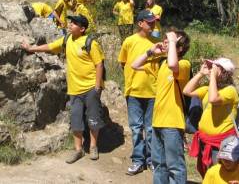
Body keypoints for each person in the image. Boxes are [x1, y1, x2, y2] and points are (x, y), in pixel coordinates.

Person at [21, 15, 106, 163]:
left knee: (93, 118)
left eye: (74, 23)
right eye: (71, 22)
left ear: (82, 28)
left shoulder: (90, 43)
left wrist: (97, 87)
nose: (70, 24)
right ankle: (78, 150)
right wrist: (31, 48)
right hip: (74, 89)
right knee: (76, 119)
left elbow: (99, 64)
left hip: (91, 87)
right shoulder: (67, 39)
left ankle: (93, 146)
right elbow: (50, 46)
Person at [132, 30, 191, 184]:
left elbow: (173, 64)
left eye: (169, 41)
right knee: (159, 165)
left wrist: (172, 42)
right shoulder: (161, 63)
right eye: (164, 40)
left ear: (179, 48)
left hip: (172, 123)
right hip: (157, 122)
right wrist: (151, 51)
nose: (165, 42)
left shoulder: (184, 64)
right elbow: (135, 64)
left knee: (175, 166)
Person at [183, 58, 239, 178]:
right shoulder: (209, 89)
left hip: (220, 144)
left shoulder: (230, 91)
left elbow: (213, 99)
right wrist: (200, 74)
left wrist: (212, 76)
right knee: (207, 174)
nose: (211, 69)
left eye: (215, 67)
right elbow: (187, 91)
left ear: (224, 72)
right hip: (205, 141)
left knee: (219, 175)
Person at [118, 10, 157, 175]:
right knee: (135, 128)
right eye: (149, 21)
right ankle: (138, 160)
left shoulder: (157, 42)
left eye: (154, 21)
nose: (153, 24)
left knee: (150, 129)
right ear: (140, 23)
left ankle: (152, 160)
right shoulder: (129, 41)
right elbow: (123, 63)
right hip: (134, 91)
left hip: (153, 92)